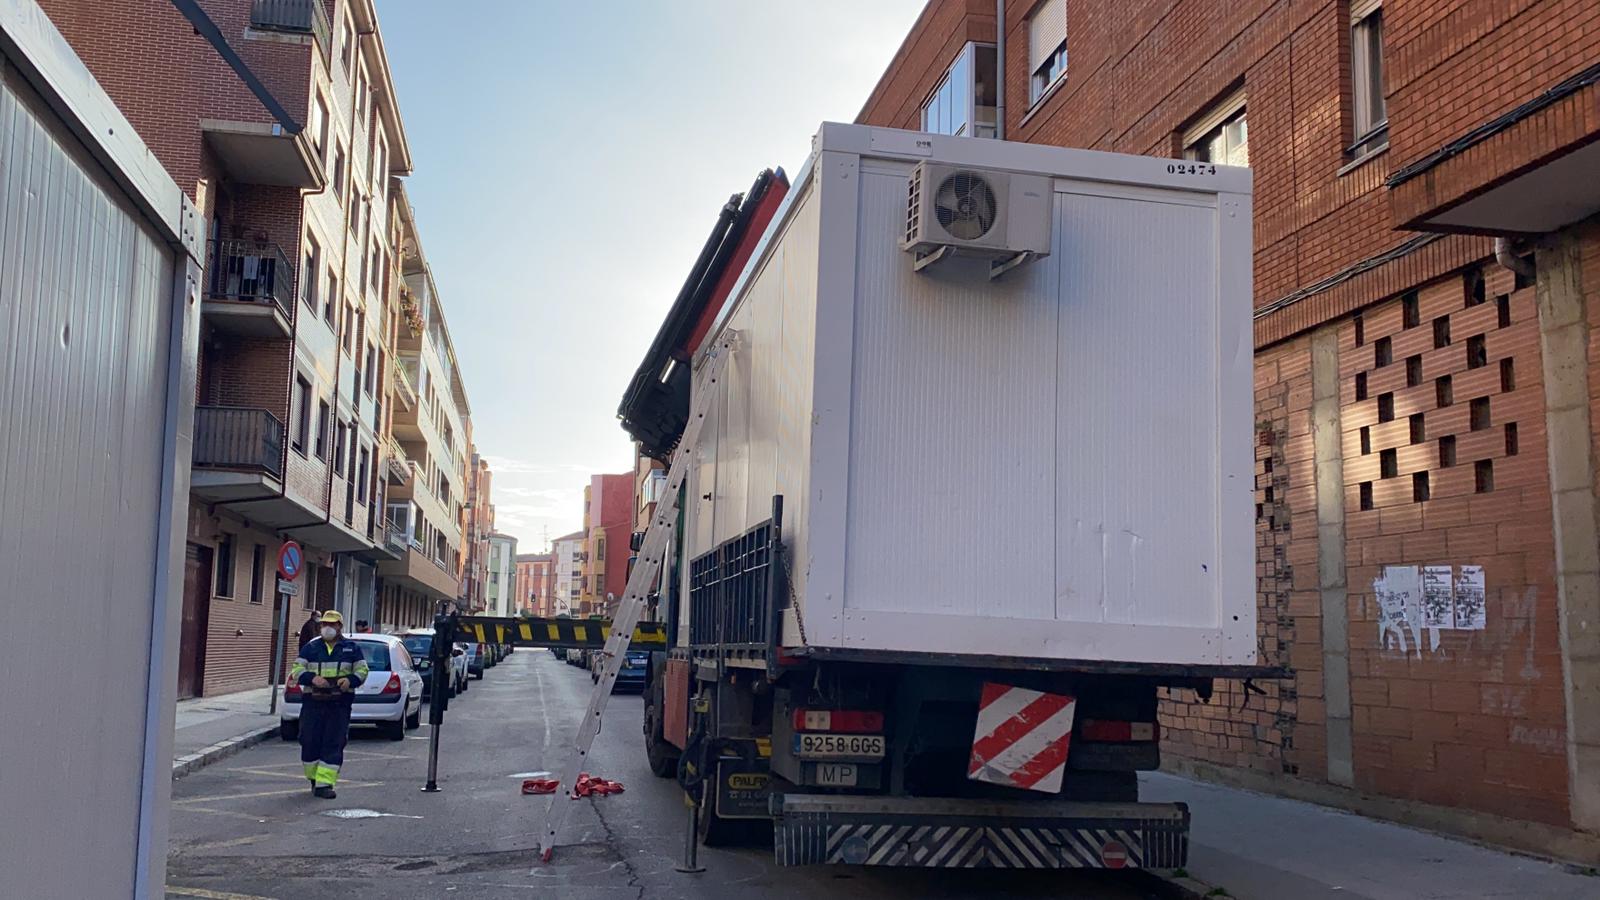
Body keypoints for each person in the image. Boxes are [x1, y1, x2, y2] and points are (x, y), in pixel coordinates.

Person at [289, 610, 368, 799]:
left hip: (339, 702)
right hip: (312, 702)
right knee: (309, 740)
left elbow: (362, 670)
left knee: (333, 741)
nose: (327, 628)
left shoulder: (352, 648)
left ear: (340, 626)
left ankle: (325, 783)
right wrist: (312, 678)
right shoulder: (311, 647)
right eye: (324, 624)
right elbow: (297, 669)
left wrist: (350, 680)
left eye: (332, 624)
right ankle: (313, 778)